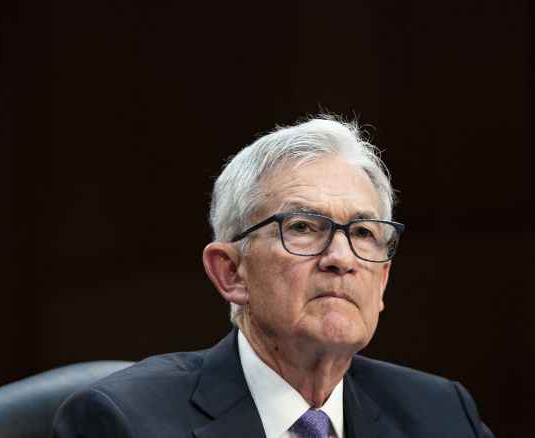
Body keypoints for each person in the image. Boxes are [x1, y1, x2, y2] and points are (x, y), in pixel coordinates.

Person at [51, 116, 493, 437]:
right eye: (302, 227)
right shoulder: (124, 422)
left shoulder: (442, 414)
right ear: (231, 272)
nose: (341, 258)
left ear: (383, 281)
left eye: (362, 232)